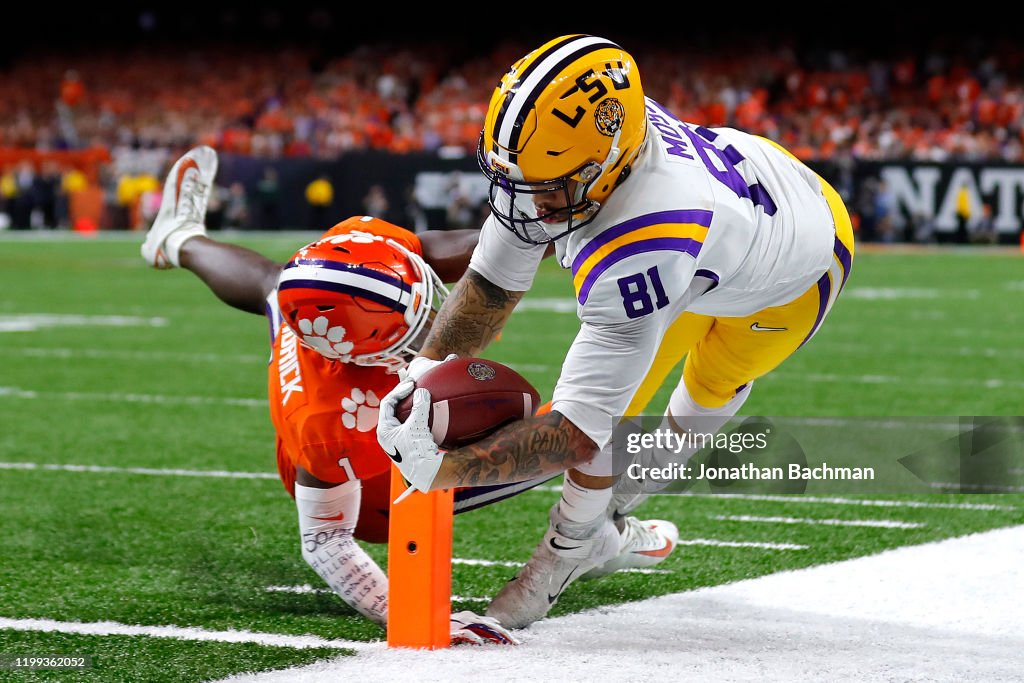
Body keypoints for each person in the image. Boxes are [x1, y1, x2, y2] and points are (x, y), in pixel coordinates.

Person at [376, 35, 855, 629]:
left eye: (550, 186)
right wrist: (421, 372)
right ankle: (595, 530)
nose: (530, 203)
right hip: (730, 214)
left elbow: (574, 433)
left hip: (794, 267)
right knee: (617, 405)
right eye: (517, 178)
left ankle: (571, 549)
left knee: (702, 388)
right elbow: (491, 287)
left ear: (609, 163)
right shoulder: (571, 157)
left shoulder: (645, 240)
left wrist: (448, 470)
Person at [141, 145, 533, 645]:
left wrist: (537, 237)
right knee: (556, 432)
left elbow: (421, 250)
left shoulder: (343, 253)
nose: (436, 319)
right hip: (363, 487)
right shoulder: (326, 423)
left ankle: (178, 239)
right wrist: (416, 613)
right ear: (368, 356)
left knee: (271, 282)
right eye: (415, 326)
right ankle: (589, 535)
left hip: (346, 369)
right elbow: (325, 541)